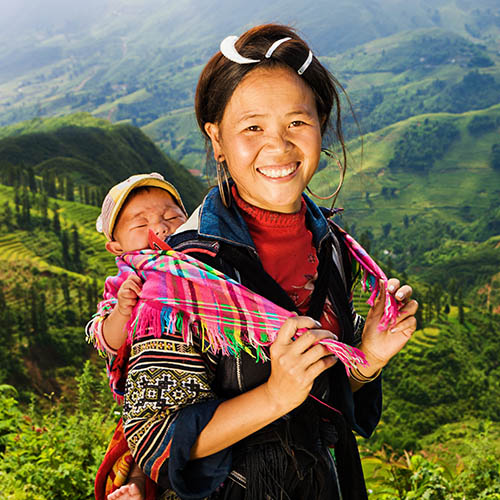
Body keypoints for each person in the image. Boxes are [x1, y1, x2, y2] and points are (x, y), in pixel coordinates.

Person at [121, 24, 418, 500]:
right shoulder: (183, 273)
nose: (278, 147)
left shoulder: (330, 245)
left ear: (321, 123)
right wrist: (274, 397)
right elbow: (153, 439)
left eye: (297, 123)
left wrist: (369, 357)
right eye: (252, 127)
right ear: (217, 138)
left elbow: (330, 398)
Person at [87, 172, 188, 500]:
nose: (160, 227)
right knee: (143, 445)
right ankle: (135, 486)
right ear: (115, 246)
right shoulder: (123, 284)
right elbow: (107, 338)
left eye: (171, 216)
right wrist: (123, 311)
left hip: (202, 379)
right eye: (140, 222)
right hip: (149, 392)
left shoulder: (198, 262)